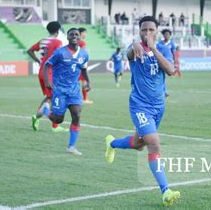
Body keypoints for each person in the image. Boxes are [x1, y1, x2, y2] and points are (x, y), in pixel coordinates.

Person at [104, 16, 180, 206]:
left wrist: (153, 48)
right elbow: (130, 54)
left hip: (158, 106)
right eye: (143, 30)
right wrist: (134, 47)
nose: (147, 33)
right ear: (139, 31)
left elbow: (171, 70)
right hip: (140, 105)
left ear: (156, 31)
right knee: (154, 143)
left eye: (151, 30)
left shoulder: (163, 48)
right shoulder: (135, 48)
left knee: (138, 144)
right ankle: (166, 191)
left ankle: (112, 143)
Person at [42, 28, 91, 155]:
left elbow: (84, 69)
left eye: (76, 34)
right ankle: (45, 110)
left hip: (74, 90)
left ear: (80, 37)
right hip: (59, 90)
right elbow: (47, 65)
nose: (74, 36)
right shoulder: (60, 52)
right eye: (71, 34)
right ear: (68, 37)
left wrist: (87, 81)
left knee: (77, 114)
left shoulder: (84, 54)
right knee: (58, 120)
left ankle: (71, 146)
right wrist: (48, 81)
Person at [29, 21, 68, 133]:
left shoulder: (42, 41)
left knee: (49, 97)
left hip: (42, 71)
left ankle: (37, 117)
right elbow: (60, 57)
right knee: (56, 97)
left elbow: (30, 51)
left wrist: (38, 61)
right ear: (58, 31)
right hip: (51, 73)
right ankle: (54, 125)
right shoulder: (57, 42)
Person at [77, 27, 93, 104]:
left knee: (74, 81)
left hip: (73, 64)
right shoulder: (82, 42)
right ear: (81, 33)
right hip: (80, 64)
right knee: (84, 81)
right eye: (85, 32)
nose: (85, 34)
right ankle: (85, 99)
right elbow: (82, 54)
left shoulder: (74, 41)